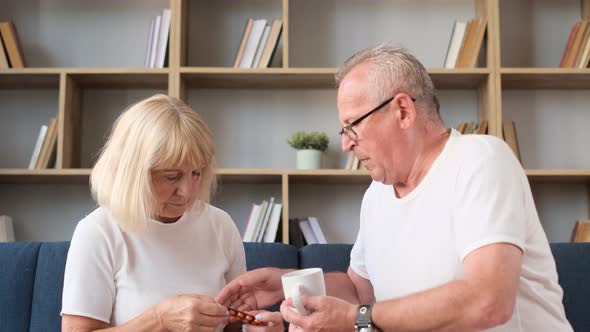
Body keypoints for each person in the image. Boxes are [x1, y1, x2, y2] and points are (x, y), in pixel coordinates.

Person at [216, 45, 573, 331]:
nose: (346, 145)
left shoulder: (480, 160)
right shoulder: (377, 197)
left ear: (402, 110)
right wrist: (286, 282)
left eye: (352, 125)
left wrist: (356, 321)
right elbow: (360, 289)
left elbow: (488, 301)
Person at [61, 94, 283, 332]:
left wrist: (256, 328)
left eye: (196, 173)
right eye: (171, 176)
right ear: (132, 173)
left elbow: (233, 327)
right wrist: (158, 320)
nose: (188, 192)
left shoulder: (221, 226)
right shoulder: (98, 232)